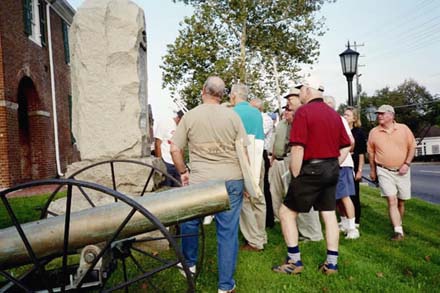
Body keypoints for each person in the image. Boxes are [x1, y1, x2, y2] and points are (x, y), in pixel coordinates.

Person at [170, 76, 248, 293]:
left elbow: (175, 149)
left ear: (204, 90)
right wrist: (249, 184)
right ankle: (225, 286)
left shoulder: (190, 116)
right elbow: (244, 152)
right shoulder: (233, 117)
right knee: (228, 232)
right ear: (222, 95)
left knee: (190, 222)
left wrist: (183, 172)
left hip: (200, 180)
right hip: (231, 179)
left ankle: (190, 264)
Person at [272, 74, 351, 275]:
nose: (300, 93)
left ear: (308, 90)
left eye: (301, 90)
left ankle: (294, 262)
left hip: (311, 169)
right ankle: (331, 263)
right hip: (332, 168)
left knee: (286, 212)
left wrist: (296, 174)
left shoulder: (303, 112)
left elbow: (298, 147)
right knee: (328, 214)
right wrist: (334, 163)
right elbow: (346, 145)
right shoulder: (334, 113)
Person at [269, 88, 323, 242]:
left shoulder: (305, 116)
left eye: (291, 99)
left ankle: (312, 234)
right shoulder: (284, 122)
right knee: (290, 199)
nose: (288, 103)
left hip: (299, 161)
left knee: (303, 199)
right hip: (283, 161)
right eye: (286, 101)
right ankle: (297, 229)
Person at [367, 104, 416, 241]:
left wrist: (406, 164)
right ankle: (398, 231)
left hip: (403, 170)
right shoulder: (374, 132)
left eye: (382, 114)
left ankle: (398, 223)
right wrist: (372, 170)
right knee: (391, 199)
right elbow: (371, 153)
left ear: (391, 115)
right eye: (378, 114)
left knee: (401, 202)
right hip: (384, 170)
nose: (379, 116)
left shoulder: (403, 129)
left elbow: (412, 147)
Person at [230, 84, 267, 252]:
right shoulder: (256, 113)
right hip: (258, 158)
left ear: (234, 95)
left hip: (243, 160)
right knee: (259, 198)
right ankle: (261, 234)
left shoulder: (232, 113)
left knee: (244, 200)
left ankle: (254, 240)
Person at [324, 96, 359, 239]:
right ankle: (344, 222)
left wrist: (343, 154)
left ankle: (352, 228)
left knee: (344, 196)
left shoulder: (339, 119)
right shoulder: (326, 120)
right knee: (336, 197)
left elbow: (351, 141)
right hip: (331, 163)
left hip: (342, 163)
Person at [250, 98, 275, 228]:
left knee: (264, 186)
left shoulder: (266, 119)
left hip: (261, 152)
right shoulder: (256, 118)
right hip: (253, 151)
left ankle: (267, 219)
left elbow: (256, 134)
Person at [344, 107, 367, 227]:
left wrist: (359, 171)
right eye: (344, 114)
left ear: (354, 118)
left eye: (348, 115)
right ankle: (345, 218)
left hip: (354, 164)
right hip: (343, 163)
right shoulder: (341, 130)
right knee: (343, 194)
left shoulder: (359, 133)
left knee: (354, 194)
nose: (345, 117)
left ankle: (355, 220)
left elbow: (362, 153)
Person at [153, 110, 184, 187]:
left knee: (179, 189)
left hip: (178, 164)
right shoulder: (165, 123)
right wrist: (160, 163)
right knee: (166, 188)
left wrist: (182, 163)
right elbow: (157, 144)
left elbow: (182, 146)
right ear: (179, 118)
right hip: (166, 162)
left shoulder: (182, 128)